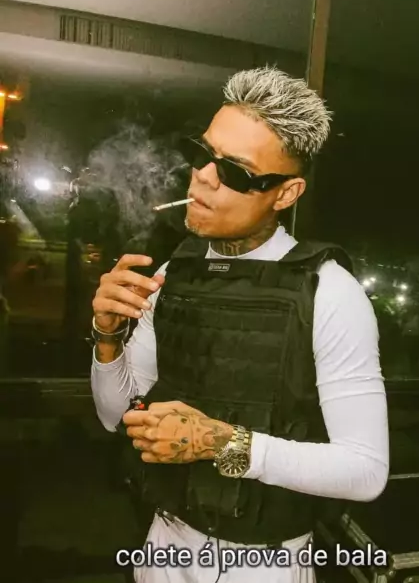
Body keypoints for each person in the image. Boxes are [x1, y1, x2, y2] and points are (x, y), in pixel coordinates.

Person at [90, 66, 389, 583]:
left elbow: (366, 471)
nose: (204, 177)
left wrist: (221, 443)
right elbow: (115, 416)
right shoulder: (174, 273)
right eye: (203, 154)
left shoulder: (329, 293)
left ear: (286, 193)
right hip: (164, 546)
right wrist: (108, 336)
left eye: (235, 171)